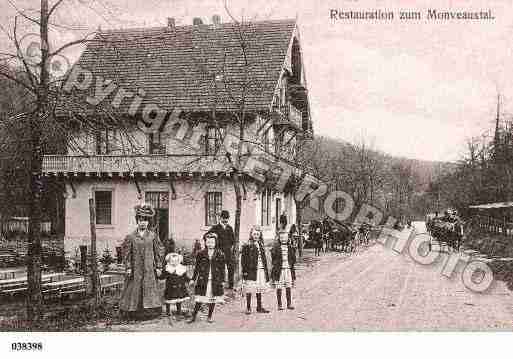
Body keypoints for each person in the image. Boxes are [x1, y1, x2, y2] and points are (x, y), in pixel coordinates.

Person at [119, 203, 164, 321]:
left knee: (149, 288)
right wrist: (128, 267)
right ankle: (133, 312)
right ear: (137, 221)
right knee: (134, 288)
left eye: (145, 220)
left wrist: (159, 267)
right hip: (136, 269)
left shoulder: (153, 236)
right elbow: (126, 254)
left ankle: (150, 312)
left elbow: (159, 251)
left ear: (148, 222)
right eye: (140, 220)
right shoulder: (131, 237)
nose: (143, 222)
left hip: (149, 268)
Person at [188, 232, 225, 324]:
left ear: (216, 242)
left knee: (213, 298)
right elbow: (197, 267)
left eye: (212, 242)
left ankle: (209, 316)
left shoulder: (220, 254)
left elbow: (222, 268)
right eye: (208, 242)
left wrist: (223, 280)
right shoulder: (201, 253)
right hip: (203, 279)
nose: (210, 244)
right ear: (205, 242)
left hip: (215, 280)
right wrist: (193, 279)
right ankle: (193, 316)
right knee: (199, 299)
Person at [241, 226, 270, 314]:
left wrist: (266, 270)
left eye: (258, 234)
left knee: (259, 288)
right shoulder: (247, 245)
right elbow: (244, 260)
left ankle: (259, 307)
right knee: (250, 288)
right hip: (251, 270)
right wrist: (244, 271)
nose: (256, 236)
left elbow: (264, 258)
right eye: (254, 234)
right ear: (251, 234)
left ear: (260, 235)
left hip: (261, 269)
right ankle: (248, 307)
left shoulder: (261, 245)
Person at [271, 215, 296, 310]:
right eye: (282, 237)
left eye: (285, 237)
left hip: (288, 268)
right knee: (279, 285)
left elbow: (293, 258)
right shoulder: (277, 242)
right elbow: (273, 256)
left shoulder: (289, 245)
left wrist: (291, 263)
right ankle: (279, 304)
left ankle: (289, 303)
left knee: (288, 285)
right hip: (279, 268)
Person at [206, 210, 235, 289]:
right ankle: (219, 284)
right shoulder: (215, 227)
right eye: (224, 218)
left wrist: (230, 247)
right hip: (219, 252)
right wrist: (213, 235)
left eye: (227, 218)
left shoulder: (230, 228)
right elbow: (206, 236)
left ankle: (231, 285)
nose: (225, 220)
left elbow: (233, 240)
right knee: (219, 268)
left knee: (231, 267)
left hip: (228, 252)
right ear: (220, 218)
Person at [158, 252, 191, 320]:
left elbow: (185, 277)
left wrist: (190, 280)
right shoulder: (167, 269)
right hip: (170, 287)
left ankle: (179, 312)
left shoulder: (181, 268)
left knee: (179, 299)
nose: (174, 262)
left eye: (176, 261)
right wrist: (158, 275)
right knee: (169, 299)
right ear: (169, 261)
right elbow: (163, 276)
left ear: (179, 261)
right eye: (172, 261)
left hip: (180, 287)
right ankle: (168, 311)